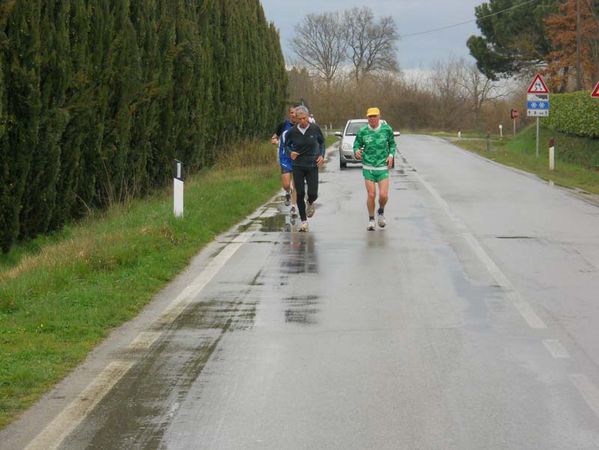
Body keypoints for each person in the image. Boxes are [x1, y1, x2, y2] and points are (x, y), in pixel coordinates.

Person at [353, 107, 396, 231]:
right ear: (367, 118)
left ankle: (381, 212)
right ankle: (371, 220)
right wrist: (356, 151)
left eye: (374, 116)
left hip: (382, 166)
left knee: (383, 195)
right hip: (368, 166)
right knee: (371, 194)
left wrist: (391, 155)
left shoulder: (386, 129)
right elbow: (357, 144)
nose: (372, 119)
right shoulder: (363, 131)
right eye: (370, 116)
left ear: (379, 117)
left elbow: (392, 144)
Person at [284, 105, 325, 232]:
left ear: (308, 117)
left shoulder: (314, 129)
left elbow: (322, 142)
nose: (302, 121)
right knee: (300, 193)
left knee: (313, 193)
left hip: (312, 165)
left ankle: (311, 202)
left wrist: (322, 156)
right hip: (298, 166)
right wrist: (290, 152)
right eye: (300, 119)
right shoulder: (292, 132)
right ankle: (304, 221)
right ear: (296, 119)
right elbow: (286, 146)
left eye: (304, 118)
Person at [272, 105, 298, 218]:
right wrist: (274, 140)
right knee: (287, 184)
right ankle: (287, 192)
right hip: (285, 157)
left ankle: (293, 207)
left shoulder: (301, 125)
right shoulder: (283, 125)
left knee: (295, 185)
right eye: (292, 112)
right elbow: (274, 136)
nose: (294, 115)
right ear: (289, 114)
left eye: (296, 112)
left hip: (297, 158)